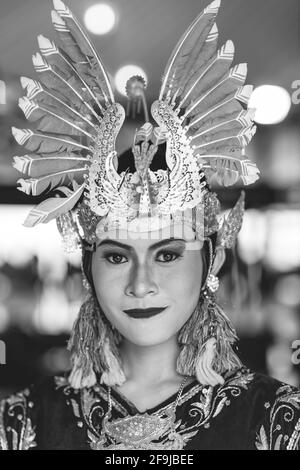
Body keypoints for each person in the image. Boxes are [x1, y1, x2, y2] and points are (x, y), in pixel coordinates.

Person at [1, 0, 299, 450]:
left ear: (211, 258)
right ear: (87, 266)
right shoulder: (22, 423)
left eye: (168, 254)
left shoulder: (278, 422)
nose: (141, 285)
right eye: (117, 255)